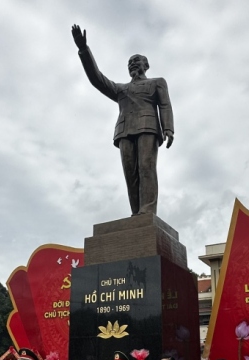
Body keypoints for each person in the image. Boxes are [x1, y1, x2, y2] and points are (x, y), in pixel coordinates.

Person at [71, 24, 174, 216]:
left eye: (136, 61)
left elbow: (165, 105)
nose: (133, 64)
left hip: (148, 127)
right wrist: (83, 50)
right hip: (124, 131)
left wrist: (168, 128)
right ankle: (136, 214)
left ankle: (147, 210)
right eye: (130, 63)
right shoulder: (121, 89)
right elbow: (97, 79)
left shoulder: (157, 82)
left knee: (146, 167)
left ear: (146, 65)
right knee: (130, 174)